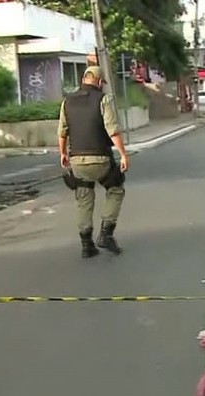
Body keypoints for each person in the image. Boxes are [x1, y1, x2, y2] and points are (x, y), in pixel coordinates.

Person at [57, 65, 130, 258]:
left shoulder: (67, 102)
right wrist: (123, 154)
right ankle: (106, 234)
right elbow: (112, 130)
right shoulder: (103, 99)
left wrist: (62, 154)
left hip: (76, 160)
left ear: (83, 80)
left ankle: (86, 244)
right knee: (115, 189)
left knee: (83, 196)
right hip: (100, 159)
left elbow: (62, 132)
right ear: (99, 82)